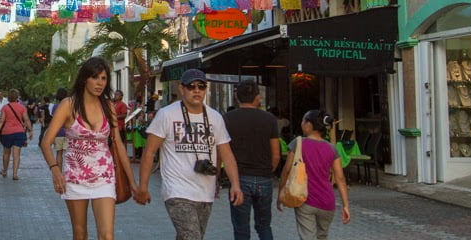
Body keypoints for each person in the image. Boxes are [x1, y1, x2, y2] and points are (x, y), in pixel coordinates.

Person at [134, 68, 243, 240]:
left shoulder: (215, 117)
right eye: (191, 86)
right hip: (177, 191)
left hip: (205, 191)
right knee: (192, 236)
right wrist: (143, 187)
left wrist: (236, 185)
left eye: (201, 86)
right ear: (181, 89)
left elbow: (227, 155)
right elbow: (149, 152)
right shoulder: (166, 115)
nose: (197, 90)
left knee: (189, 236)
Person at [40, 57, 136, 240]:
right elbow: (46, 142)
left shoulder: (108, 106)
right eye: (95, 77)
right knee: (80, 233)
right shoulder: (68, 105)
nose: (99, 83)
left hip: (104, 177)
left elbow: (119, 145)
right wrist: (55, 170)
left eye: (103, 78)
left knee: (107, 235)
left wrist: (132, 182)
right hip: (75, 177)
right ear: (85, 79)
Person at [277, 110, 350, 239]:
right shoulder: (332, 148)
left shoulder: (297, 143)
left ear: (309, 125)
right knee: (322, 236)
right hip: (327, 202)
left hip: (305, 200)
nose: (302, 123)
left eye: (303, 121)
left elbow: (286, 171)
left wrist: (280, 194)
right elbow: (340, 178)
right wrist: (345, 206)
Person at [224, 80, 280, 240]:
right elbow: (276, 154)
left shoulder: (227, 118)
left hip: (239, 179)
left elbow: (221, 150)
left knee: (241, 228)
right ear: (257, 97)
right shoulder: (269, 119)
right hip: (264, 178)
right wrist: (269, 170)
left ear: (236, 96)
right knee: (264, 226)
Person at [0, 89, 33, 180]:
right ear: (17, 97)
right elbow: (27, 120)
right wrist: (30, 130)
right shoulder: (22, 107)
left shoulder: (5, 108)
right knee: (17, 154)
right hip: (19, 133)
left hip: (7, 132)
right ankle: (15, 174)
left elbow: (1, 121)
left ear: (8, 97)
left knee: (6, 153)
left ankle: (5, 171)